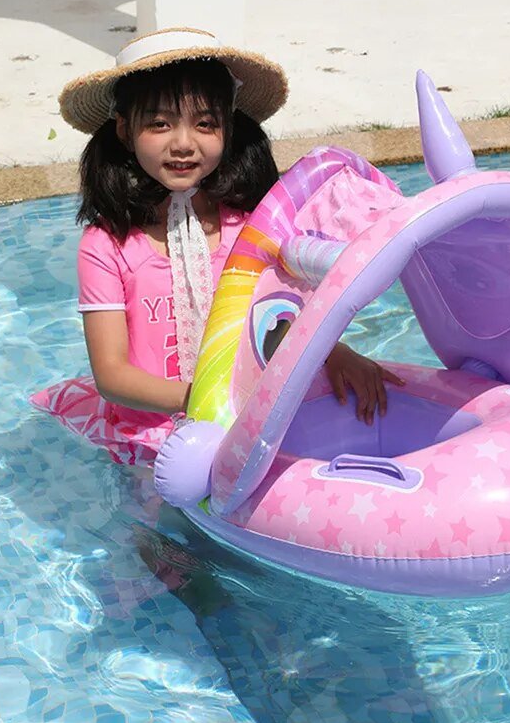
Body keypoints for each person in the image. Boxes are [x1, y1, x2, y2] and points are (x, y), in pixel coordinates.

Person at [32, 27, 402, 466]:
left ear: (228, 129)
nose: (184, 143)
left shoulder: (249, 226)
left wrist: (337, 354)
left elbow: (276, 320)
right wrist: (204, 401)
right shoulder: (107, 244)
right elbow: (112, 376)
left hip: (246, 416)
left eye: (204, 123)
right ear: (125, 131)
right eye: (160, 123)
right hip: (148, 433)